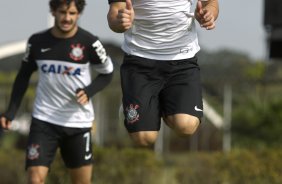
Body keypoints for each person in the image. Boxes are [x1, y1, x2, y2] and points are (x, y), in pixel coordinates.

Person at [0, 0, 113, 183]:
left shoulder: (89, 42)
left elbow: (107, 73)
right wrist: (11, 111)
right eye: (62, 12)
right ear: (53, 11)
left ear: (79, 14)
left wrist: (89, 90)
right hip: (44, 121)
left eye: (72, 13)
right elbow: (23, 77)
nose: (67, 18)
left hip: (77, 123)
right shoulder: (37, 42)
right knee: (35, 179)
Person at [107, 0, 219, 147]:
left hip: (182, 59)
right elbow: (115, 12)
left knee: (186, 126)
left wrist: (209, 13)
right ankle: (152, 108)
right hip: (139, 61)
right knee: (144, 138)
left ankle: (166, 106)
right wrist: (120, 20)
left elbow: (210, 3)